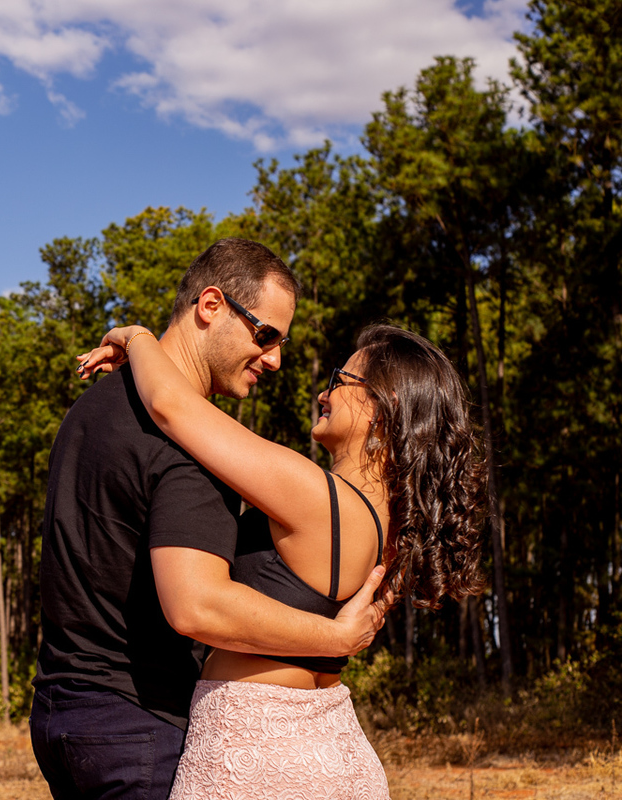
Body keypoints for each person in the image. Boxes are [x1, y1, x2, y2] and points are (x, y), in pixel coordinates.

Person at [29, 238, 389, 800]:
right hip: (140, 724)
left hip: (58, 714)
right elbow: (197, 605)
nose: (275, 359)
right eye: (265, 335)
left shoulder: (93, 406)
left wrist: (134, 335)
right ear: (211, 305)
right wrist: (335, 636)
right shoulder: (192, 448)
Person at [76, 319, 487, 798]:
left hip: (258, 753)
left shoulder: (320, 498)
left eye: (340, 380)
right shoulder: (394, 522)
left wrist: (137, 338)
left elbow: (172, 408)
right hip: (326, 744)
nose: (323, 392)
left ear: (384, 404)